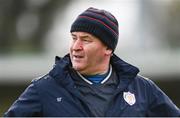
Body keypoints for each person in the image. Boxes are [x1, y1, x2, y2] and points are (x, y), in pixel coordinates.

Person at [4, 7, 180, 117]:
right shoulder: (43, 89)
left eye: (86, 40)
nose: (75, 47)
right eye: (74, 38)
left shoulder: (142, 89)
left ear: (108, 49)